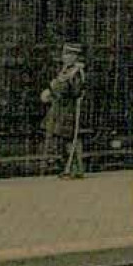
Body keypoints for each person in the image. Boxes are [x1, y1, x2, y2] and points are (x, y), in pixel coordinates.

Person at [40, 43, 86, 178]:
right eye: (65, 54)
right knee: (63, 138)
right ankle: (67, 167)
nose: (65, 57)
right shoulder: (65, 70)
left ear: (75, 57)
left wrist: (55, 91)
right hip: (60, 108)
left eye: (69, 55)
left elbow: (76, 91)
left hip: (69, 108)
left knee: (71, 138)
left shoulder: (77, 72)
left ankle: (76, 169)